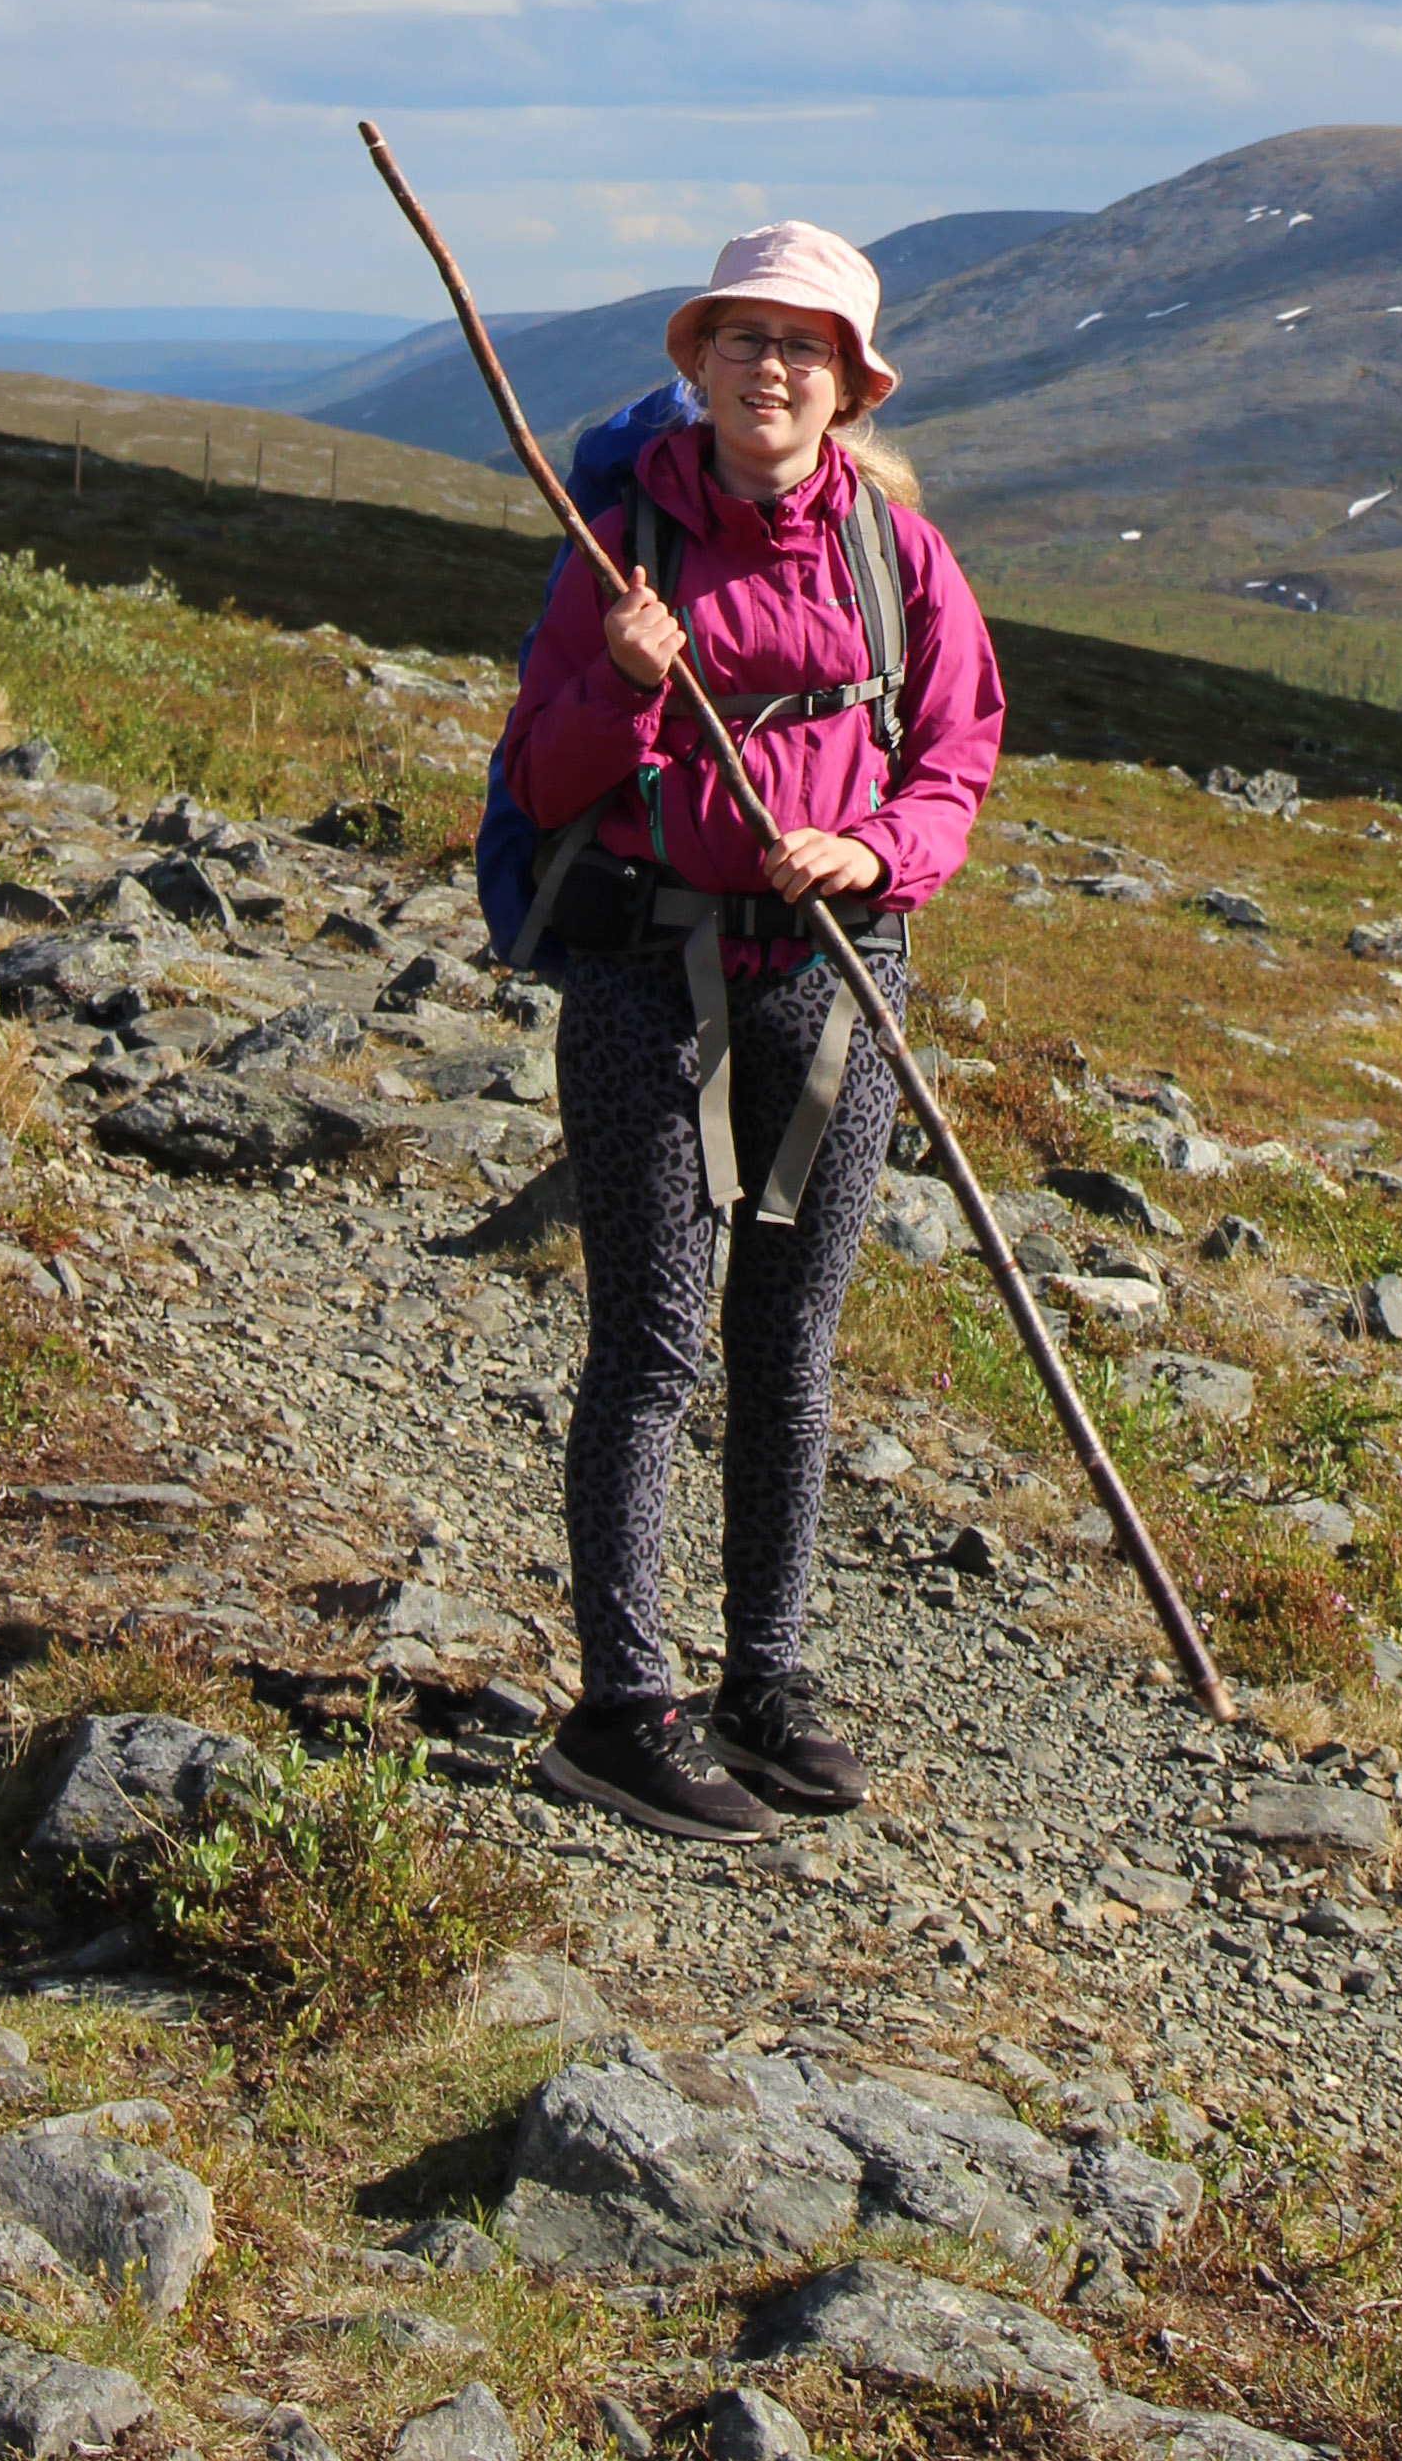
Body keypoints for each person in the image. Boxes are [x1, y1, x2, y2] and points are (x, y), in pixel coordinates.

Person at [497, 221, 1002, 1840]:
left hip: (842, 982)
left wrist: (875, 855)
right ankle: (622, 1708)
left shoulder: (901, 559)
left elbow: (954, 755)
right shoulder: (621, 541)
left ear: (849, 385)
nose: (771, 369)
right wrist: (632, 683)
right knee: (650, 1344)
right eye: (743, 340)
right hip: (649, 970)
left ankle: (764, 1685)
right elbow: (540, 782)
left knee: (789, 1346)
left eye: (806, 347)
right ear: (696, 364)